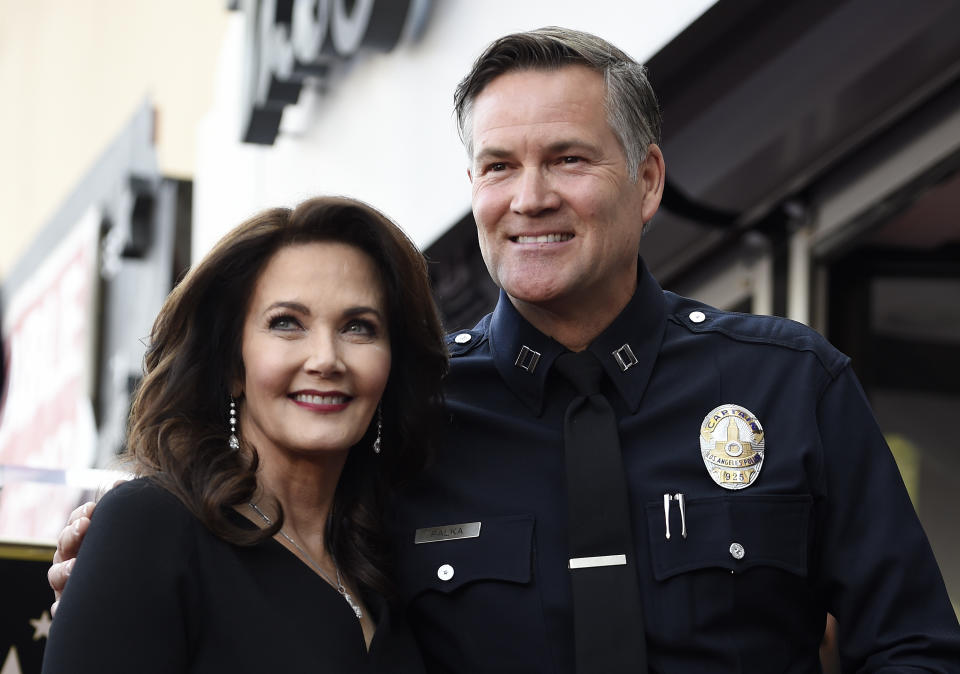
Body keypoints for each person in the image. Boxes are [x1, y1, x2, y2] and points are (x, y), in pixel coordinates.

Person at [50, 27, 960, 673]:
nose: (529, 198)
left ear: (645, 182)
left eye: (567, 158)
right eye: (497, 166)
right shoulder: (406, 419)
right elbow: (266, 556)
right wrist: (121, 563)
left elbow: (913, 648)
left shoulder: (790, 384)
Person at [42, 197, 447, 673]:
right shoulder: (150, 526)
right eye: (286, 324)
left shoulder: (396, 560)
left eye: (359, 327)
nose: (326, 359)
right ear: (233, 365)